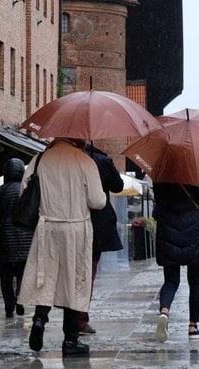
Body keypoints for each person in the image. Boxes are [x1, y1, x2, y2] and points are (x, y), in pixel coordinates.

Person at [17, 138, 105, 357]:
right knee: (74, 283)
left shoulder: (40, 159)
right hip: (76, 228)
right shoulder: (85, 161)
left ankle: (39, 320)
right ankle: (70, 341)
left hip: (47, 227)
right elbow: (97, 201)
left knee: (45, 278)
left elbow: (24, 192)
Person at [152, 181, 199, 343]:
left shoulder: (162, 173)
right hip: (194, 230)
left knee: (171, 281)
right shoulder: (198, 171)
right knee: (195, 280)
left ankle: (164, 312)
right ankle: (193, 327)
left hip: (168, 230)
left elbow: (159, 202)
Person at [79, 144, 124, 335]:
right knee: (88, 272)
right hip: (97, 223)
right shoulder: (102, 161)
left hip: (71, 218)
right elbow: (118, 186)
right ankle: (80, 319)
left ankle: (73, 317)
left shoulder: (66, 158)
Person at [0, 158, 33, 318]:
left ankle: (9, 305)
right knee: (22, 273)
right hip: (25, 238)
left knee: (5, 275)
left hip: (3, 239)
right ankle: (20, 297)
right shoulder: (27, 190)